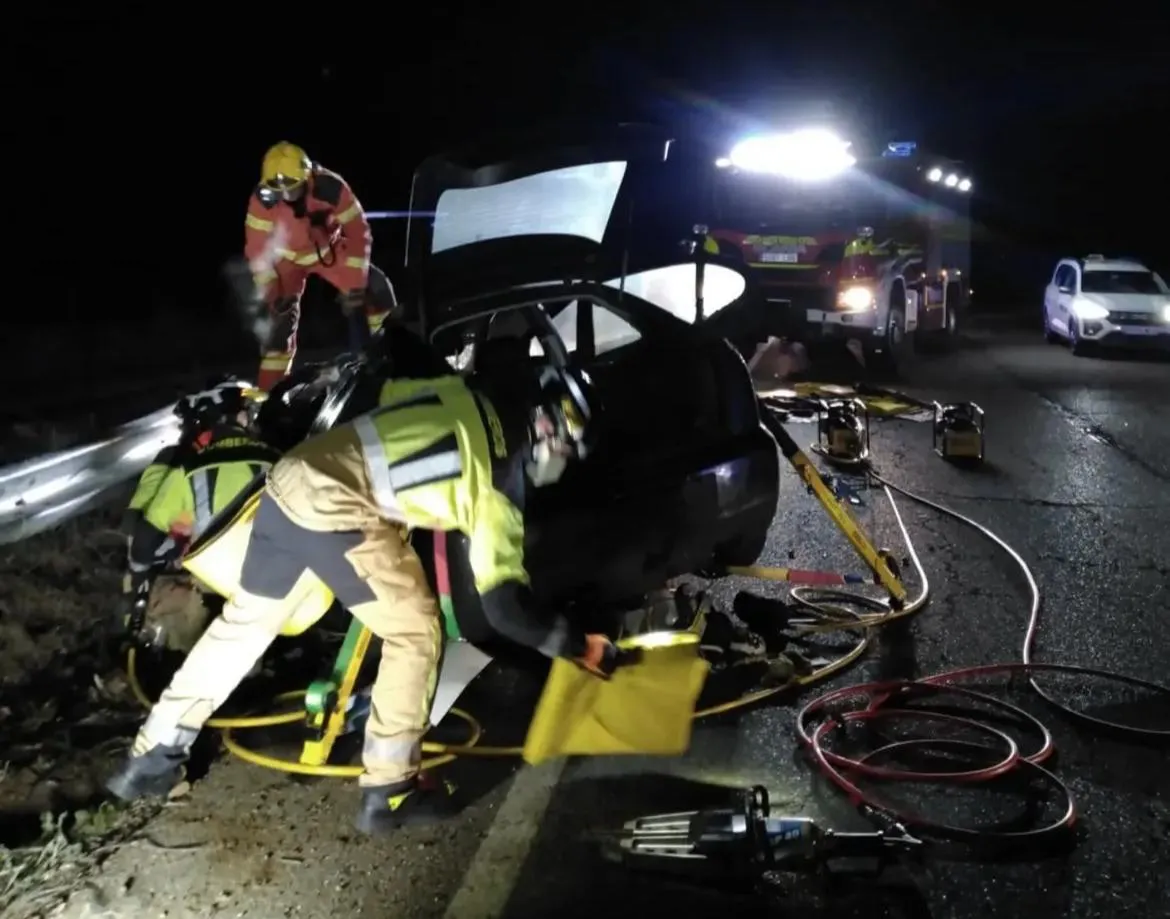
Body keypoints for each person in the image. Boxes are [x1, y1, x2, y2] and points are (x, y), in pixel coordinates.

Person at [105, 365, 623, 835]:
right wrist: (581, 647)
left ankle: (151, 756)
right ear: (547, 426)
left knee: (243, 628)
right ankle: (390, 791)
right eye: (565, 446)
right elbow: (506, 607)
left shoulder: (461, 392)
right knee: (416, 631)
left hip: (287, 483)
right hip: (338, 511)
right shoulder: (497, 482)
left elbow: (380, 390)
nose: (558, 459)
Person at [123, 382, 280, 652]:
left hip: (211, 582)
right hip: (274, 583)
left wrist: (139, 585)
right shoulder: (275, 459)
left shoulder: (186, 468)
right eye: (246, 412)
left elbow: (141, 538)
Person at [244, 141, 388, 392]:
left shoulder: (330, 187)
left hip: (329, 251)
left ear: (307, 177)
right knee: (279, 325)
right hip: (286, 260)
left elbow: (358, 231)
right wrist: (272, 293)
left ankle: (390, 355)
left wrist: (355, 285)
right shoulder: (263, 199)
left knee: (376, 288)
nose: (286, 196)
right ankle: (268, 395)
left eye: (292, 188)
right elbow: (257, 250)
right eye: (280, 191)